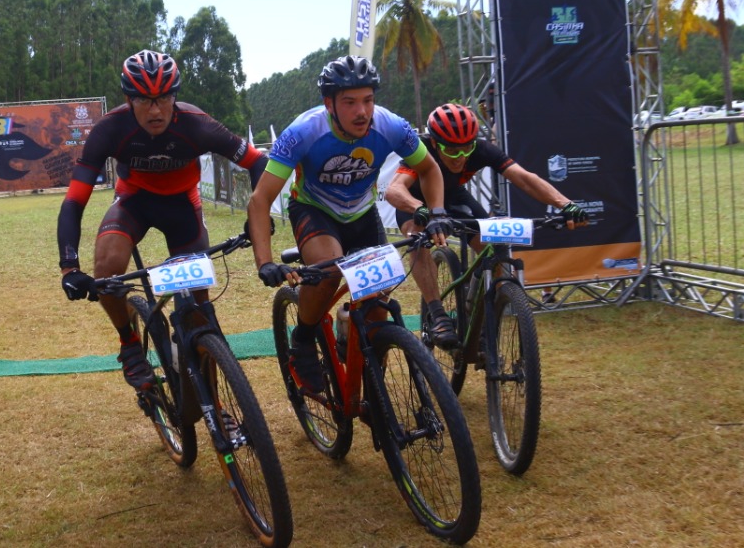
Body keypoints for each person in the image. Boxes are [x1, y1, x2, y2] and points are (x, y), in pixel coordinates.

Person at [57, 50, 268, 390]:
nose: (155, 110)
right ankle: (128, 343)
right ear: (129, 100)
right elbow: (74, 201)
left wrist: (258, 219)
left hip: (183, 207)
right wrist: (70, 267)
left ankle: (217, 405)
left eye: (163, 98)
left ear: (175, 96)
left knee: (202, 317)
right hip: (133, 202)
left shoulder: (198, 124)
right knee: (107, 265)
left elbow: (258, 163)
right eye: (144, 100)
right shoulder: (110, 129)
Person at [246, 55, 450, 395]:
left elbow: (429, 169)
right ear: (329, 104)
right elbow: (260, 200)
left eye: (368, 100)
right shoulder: (303, 131)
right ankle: (304, 340)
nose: (362, 111)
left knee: (377, 306)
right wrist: (264, 262)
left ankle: (373, 387)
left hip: (361, 212)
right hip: (314, 208)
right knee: (328, 270)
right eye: (350, 102)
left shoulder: (390, 126)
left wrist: (439, 211)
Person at [384, 103, 588, 346]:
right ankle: (437, 313)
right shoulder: (422, 148)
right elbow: (394, 190)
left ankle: (478, 317)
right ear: (436, 143)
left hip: (454, 199)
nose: (460, 158)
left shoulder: (480, 150)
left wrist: (565, 204)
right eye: (451, 151)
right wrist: (419, 209)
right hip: (417, 204)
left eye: (465, 150)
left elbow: (524, 178)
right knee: (417, 240)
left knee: (496, 251)